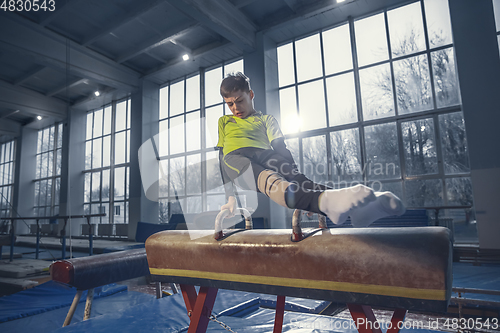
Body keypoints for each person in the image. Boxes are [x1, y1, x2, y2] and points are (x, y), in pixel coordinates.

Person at [217, 72, 405, 227]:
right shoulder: (225, 122)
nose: (235, 108)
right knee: (276, 183)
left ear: (250, 95)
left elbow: (281, 148)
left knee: (301, 182)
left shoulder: (266, 120)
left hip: (265, 155)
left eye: (239, 101)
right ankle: (326, 203)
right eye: (230, 104)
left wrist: (298, 181)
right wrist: (230, 197)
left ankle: (363, 209)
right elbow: (221, 156)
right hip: (236, 160)